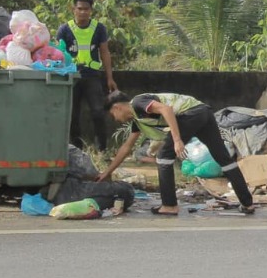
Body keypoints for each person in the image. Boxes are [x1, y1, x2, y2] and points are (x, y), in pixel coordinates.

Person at [98, 91, 256, 216]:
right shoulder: (138, 121)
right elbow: (126, 148)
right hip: (203, 112)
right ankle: (247, 203)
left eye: (113, 116)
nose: (116, 120)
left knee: (163, 158)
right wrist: (107, 172)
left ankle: (169, 205)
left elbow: (166, 110)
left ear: (117, 107)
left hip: (190, 114)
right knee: (224, 159)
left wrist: (177, 139)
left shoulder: (138, 103)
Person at [55, 0, 118, 150]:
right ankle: (76, 149)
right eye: (80, 9)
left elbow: (105, 52)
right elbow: (57, 53)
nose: (83, 12)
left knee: (98, 112)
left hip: (92, 77)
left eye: (86, 9)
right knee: (72, 115)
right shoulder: (64, 29)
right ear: (73, 9)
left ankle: (101, 150)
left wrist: (110, 77)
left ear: (91, 10)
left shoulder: (99, 28)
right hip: (71, 77)